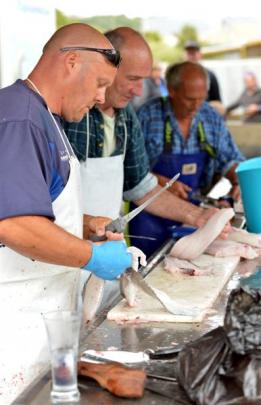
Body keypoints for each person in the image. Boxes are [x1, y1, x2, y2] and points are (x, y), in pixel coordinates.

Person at [0, 23, 133, 404]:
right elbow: (14, 224)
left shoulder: (45, 117)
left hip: (41, 321)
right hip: (12, 329)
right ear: (72, 62)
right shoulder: (19, 118)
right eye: (100, 84)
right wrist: (93, 256)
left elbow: (31, 201)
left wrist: (84, 223)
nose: (102, 97)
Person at [65, 28, 230, 259]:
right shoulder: (69, 114)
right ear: (105, 67)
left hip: (105, 250)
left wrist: (197, 216)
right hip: (62, 254)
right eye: (132, 79)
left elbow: (141, 186)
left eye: (143, 80)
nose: (139, 90)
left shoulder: (125, 117)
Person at [135, 61, 244, 254]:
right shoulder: (147, 116)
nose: (196, 106)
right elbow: (130, 171)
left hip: (196, 213)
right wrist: (161, 182)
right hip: (149, 215)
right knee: (148, 268)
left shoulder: (210, 116)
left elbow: (230, 158)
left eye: (201, 98)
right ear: (171, 90)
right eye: (190, 99)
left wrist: (238, 182)